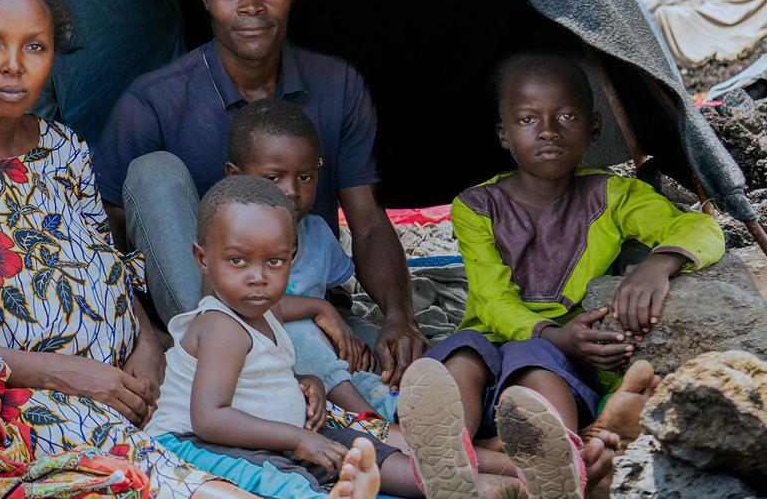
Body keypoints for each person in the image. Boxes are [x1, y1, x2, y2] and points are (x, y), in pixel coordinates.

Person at [0, 0, 252, 499]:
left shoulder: (62, 147)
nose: (13, 64)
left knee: (254, 412)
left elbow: (108, 263)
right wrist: (64, 373)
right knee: (157, 479)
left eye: (34, 46)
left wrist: (146, 347)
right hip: (15, 399)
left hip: (124, 386)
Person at [92, 0, 428, 389]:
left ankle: (289, 380)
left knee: (423, 371)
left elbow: (367, 223)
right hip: (201, 314)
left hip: (303, 310)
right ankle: (226, 351)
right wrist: (143, 335)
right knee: (155, 170)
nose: (251, 5)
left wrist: (400, 318)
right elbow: (103, 236)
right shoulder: (154, 101)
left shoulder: (336, 84)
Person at [407, 53, 724, 497]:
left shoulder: (613, 195)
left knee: (536, 365)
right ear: (504, 134)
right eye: (528, 119)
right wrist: (549, 332)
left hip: (561, 348)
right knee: (461, 353)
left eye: (566, 115)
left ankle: (551, 460)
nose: (549, 130)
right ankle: (447, 452)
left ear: (594, 127)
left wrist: (660, 262)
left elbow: (701, 226)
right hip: (496, 332)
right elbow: (491, 298)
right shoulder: (476, 205)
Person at [144, 176, 422, 498]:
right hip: (196, 443)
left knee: (355, 448)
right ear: (203, 259)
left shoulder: (267, 313)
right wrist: (297, 438)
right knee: (285, 481)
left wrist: (307, 381)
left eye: (274, 262)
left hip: (267, 436)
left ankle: (451, 483)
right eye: (237, 261)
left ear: (290, 258)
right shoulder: (221, 327)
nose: (258, 278)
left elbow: (258, 377)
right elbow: (209, 418)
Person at [220, 98, 394, 424]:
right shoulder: (231, 240)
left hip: (320, 339)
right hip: (262, 344)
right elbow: (244, 306)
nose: (291, 191)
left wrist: (345, 332)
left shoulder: (316, 232)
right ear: (235, 177)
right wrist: (319, 310)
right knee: (300, 334)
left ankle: (404, 403)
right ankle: (366, 422)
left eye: (305, 177)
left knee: (378, 345)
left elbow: (335, 296)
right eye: (273, 178)